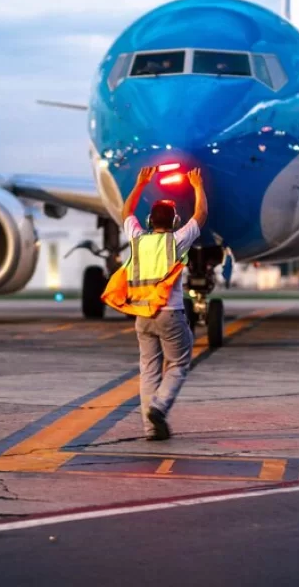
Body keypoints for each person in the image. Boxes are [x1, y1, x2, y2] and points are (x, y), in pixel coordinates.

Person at [101, 166, 208, 440]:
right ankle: (159, 407)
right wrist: (196, 185)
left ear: (149, 221)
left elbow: (126, 214)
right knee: (178, 365)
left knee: (148, 370)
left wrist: (140, 184)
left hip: (142, 315)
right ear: (173, 223)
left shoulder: (137, 241)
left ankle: (151, 429)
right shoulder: (175, 242)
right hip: (170, 315)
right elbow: (200, 216)